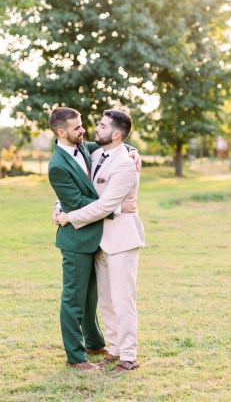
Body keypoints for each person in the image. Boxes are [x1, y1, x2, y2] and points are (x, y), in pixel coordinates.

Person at [47, 107, 139, 371]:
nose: (87, 130)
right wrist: (62, 209)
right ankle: (77, 356)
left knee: (108, 299)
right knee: (75, 300)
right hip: (78, 237)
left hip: (109, 237)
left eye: (95, 125)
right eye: (79, 127)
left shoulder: (89, 149)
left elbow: (116, 147)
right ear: (62, 132)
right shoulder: (59, 163)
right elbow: (74, 198)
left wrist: (133, 150)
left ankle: (123, 352)